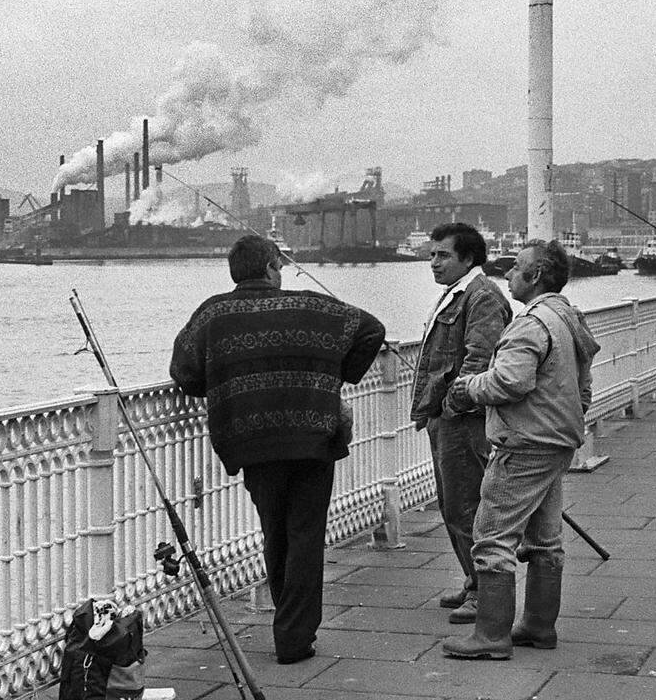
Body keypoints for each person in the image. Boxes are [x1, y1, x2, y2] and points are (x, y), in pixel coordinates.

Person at [169, 235, 385, 665]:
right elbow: (371, 330)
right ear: (270, 268)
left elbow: (183, 371)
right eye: (279, 266)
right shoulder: (313, 306)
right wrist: (330, 376)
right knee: (305, 534)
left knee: (275, 531)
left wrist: (221, 384)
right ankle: (293, 636)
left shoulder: (213, 313)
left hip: (252, 441)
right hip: (312, 437)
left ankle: (289, 625)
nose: (282, 272)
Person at [442, 239, 600, 659]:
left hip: (526, 444)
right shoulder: (567, 316)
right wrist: (571, 417)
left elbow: (511, 381)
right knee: (546, 540)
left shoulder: (530, 324)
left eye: (516, 269)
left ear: (535, 277)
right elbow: (584, 381)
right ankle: (537, 626)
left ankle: (491, 636)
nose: (508, 274)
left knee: (492, 537)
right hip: (558, 440)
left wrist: (466, 386)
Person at [410, 223, 512, 623]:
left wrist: (451, 405)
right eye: (432, 254)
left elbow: (480, 360)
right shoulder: (457, 294)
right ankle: (473, 581)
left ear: (468, 259)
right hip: (446, 418)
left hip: (463, 421)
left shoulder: (482, 296)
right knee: (451, 504)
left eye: (443, 255)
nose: (433, 263)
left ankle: (485, 593)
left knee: (466, 505)